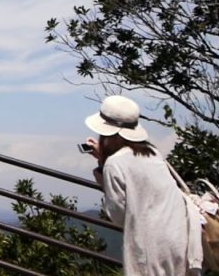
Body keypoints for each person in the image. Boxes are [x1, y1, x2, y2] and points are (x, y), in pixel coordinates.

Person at [83, 95, 204, 275]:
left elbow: (118, 215)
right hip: (181, 240)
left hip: (151, 249)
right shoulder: (153, 153)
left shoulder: (114, 164)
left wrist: (103, 163)